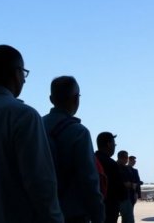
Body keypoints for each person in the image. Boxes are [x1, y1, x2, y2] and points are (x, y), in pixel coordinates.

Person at [0, 44, 64, 223]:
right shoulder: (23, 115)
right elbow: (41, 183)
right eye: (24, 73)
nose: (24, 80)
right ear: (16, 73)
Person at [42, 76, 105, 223]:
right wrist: (98, 215)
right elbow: (89, 180)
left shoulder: (36, 125)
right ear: (76, 98)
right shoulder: (78, 132)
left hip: (42, 211)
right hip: (72, 214)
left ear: (51, 99)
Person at [95, 132, 126, 223]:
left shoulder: (91, 159)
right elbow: (120, 189)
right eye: (114, 144)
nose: (114, 147)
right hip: (110, 206)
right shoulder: (111, 164)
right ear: (109, 144)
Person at [117, 150, 135, 223]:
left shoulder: (124, 168)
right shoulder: (120, 168)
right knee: (128, 219)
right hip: (122, 198)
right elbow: (126, 183)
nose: (127, 160)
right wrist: (131, 184)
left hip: (122, 197)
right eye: (126, 158)